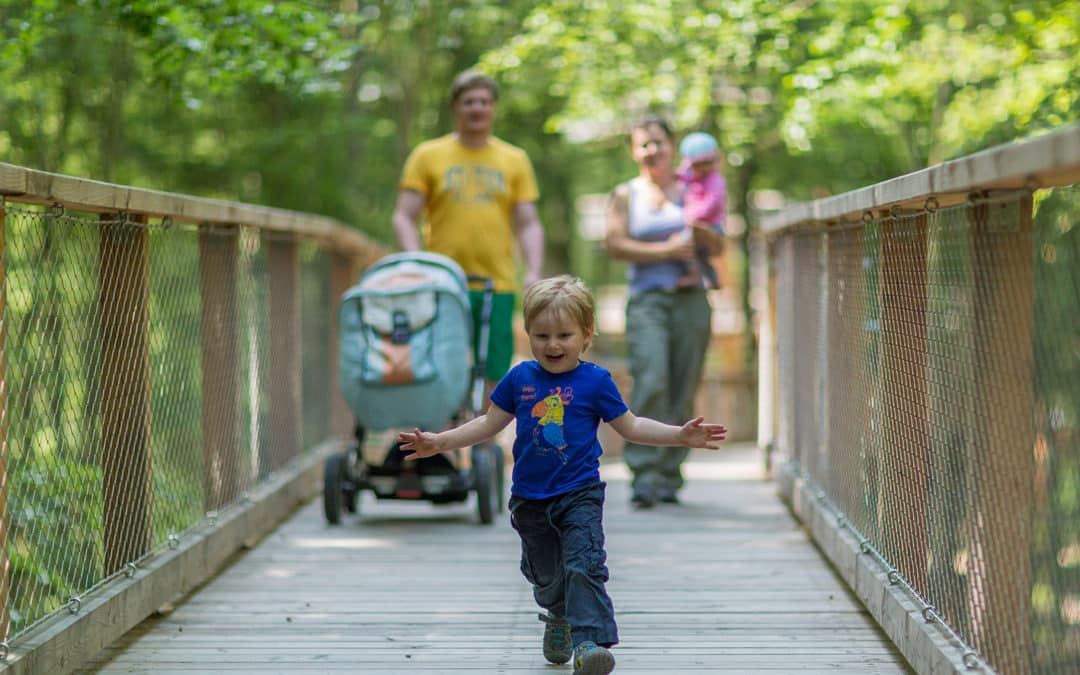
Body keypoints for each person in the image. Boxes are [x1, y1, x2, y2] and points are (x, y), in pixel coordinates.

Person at [398, 275, 727, 675]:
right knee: (547, 576)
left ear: (586, 335)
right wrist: (440, 442)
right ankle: (557, 615)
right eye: (542, 335)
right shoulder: (519, 379)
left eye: (564, 335)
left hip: (580, 493)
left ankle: (589, 644)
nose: (553, 345)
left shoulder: (595, 382)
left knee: (583, 565)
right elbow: (487, 424)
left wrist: (680, 436)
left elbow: (632, 426)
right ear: (529, 335)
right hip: (530, 499)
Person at [392, 70, 545, 388]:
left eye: (485, 102)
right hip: (442, 281)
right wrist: (416, 261)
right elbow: (404, 216)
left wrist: (533, 270)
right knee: (440, 362)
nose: (477, 108)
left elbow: (528, 223)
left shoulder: (514, 159)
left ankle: (485, 436)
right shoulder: (428, 156)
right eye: (469, 102)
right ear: (455, 108)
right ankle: (441, 434)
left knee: (495, 368)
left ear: (493, 108)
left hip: (497, 282)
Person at [605, 115, 720, 509]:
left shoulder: (695, 186)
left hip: (691, 298)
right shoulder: (626, 193)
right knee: (651, 378)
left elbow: (718, 245)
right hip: (647, 299)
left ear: (673, 146)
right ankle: (644, 473)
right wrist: (665, 251)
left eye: (659, 142)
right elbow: (615, 244)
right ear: (634, 151)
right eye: (644, 144)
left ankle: (670, 474)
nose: (652, 150)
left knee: (684, 382)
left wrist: (703, 231)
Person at [676, 130, 726, 289]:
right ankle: (711, 277)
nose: (703, 168)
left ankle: (694, 275)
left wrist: (692, 216)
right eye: (697, 164)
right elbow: (680, 177)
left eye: (707, 163)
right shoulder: (694, 177)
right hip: (694, 224)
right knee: (699, 257)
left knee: (687, 244)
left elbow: (713, 202)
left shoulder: (715, 180)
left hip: (711, 225)